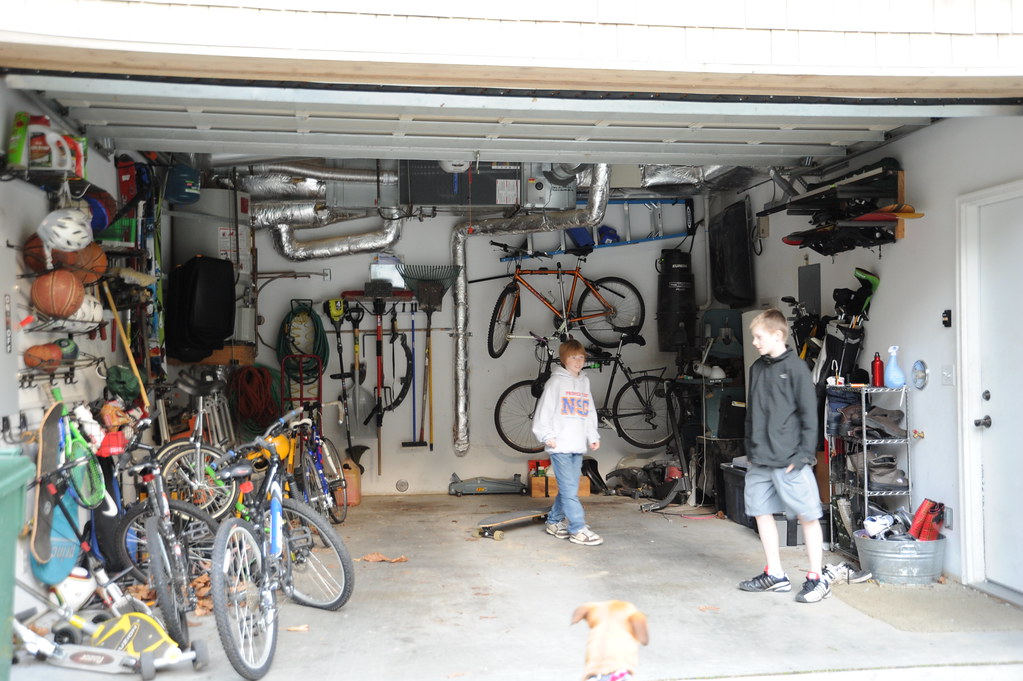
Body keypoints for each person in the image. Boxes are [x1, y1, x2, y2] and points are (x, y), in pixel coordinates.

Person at [739, 308, 829, 603]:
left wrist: (805, 455)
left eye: (758, 337)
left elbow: (809, 415)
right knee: (760, 514)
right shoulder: (757, 368)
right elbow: (753, 412)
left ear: (778, 335)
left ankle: (817, 578)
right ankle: (775, 574)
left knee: (808, 516)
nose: (754, 342)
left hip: (790, 460)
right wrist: (750, 448)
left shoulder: (796, 368)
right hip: (760, 459)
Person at [532, 338, 603, 546]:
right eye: (573, 357)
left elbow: (588, 411)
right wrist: (547, 437)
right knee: (571, 490)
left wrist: (593, 435)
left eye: (581, 357)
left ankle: (553, 521)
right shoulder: (555, 383)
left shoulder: (584, 382)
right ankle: (578, 528)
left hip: (577, 444)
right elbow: (543, 412)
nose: (578, 361)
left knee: (567, 488)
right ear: (564, 360)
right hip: (559, 446)